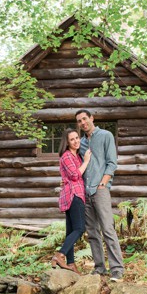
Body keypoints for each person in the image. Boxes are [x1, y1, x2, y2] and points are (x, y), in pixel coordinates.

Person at [76, 109, 124, 280]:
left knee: (108, 229)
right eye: (79, 121)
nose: (82, 123)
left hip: (100, 190)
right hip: (85, 191)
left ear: (91, 118)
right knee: (92, 232)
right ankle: (99, 268)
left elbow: (112, 162)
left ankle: (117, 270)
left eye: (84, 119)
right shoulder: (80, 143)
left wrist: (103, 183)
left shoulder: (106, 135)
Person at [53, 129, 91, 272]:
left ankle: (70, 263)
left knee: (70, 231)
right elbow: (75, 175)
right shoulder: (67, 156)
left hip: (73, 194)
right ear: (67, 142)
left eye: (77, 138)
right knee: (80, 228)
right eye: (72, 139)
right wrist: (86, 161)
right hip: (74, 195)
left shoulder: (76, 156)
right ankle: (60, 255)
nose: (76, 141)